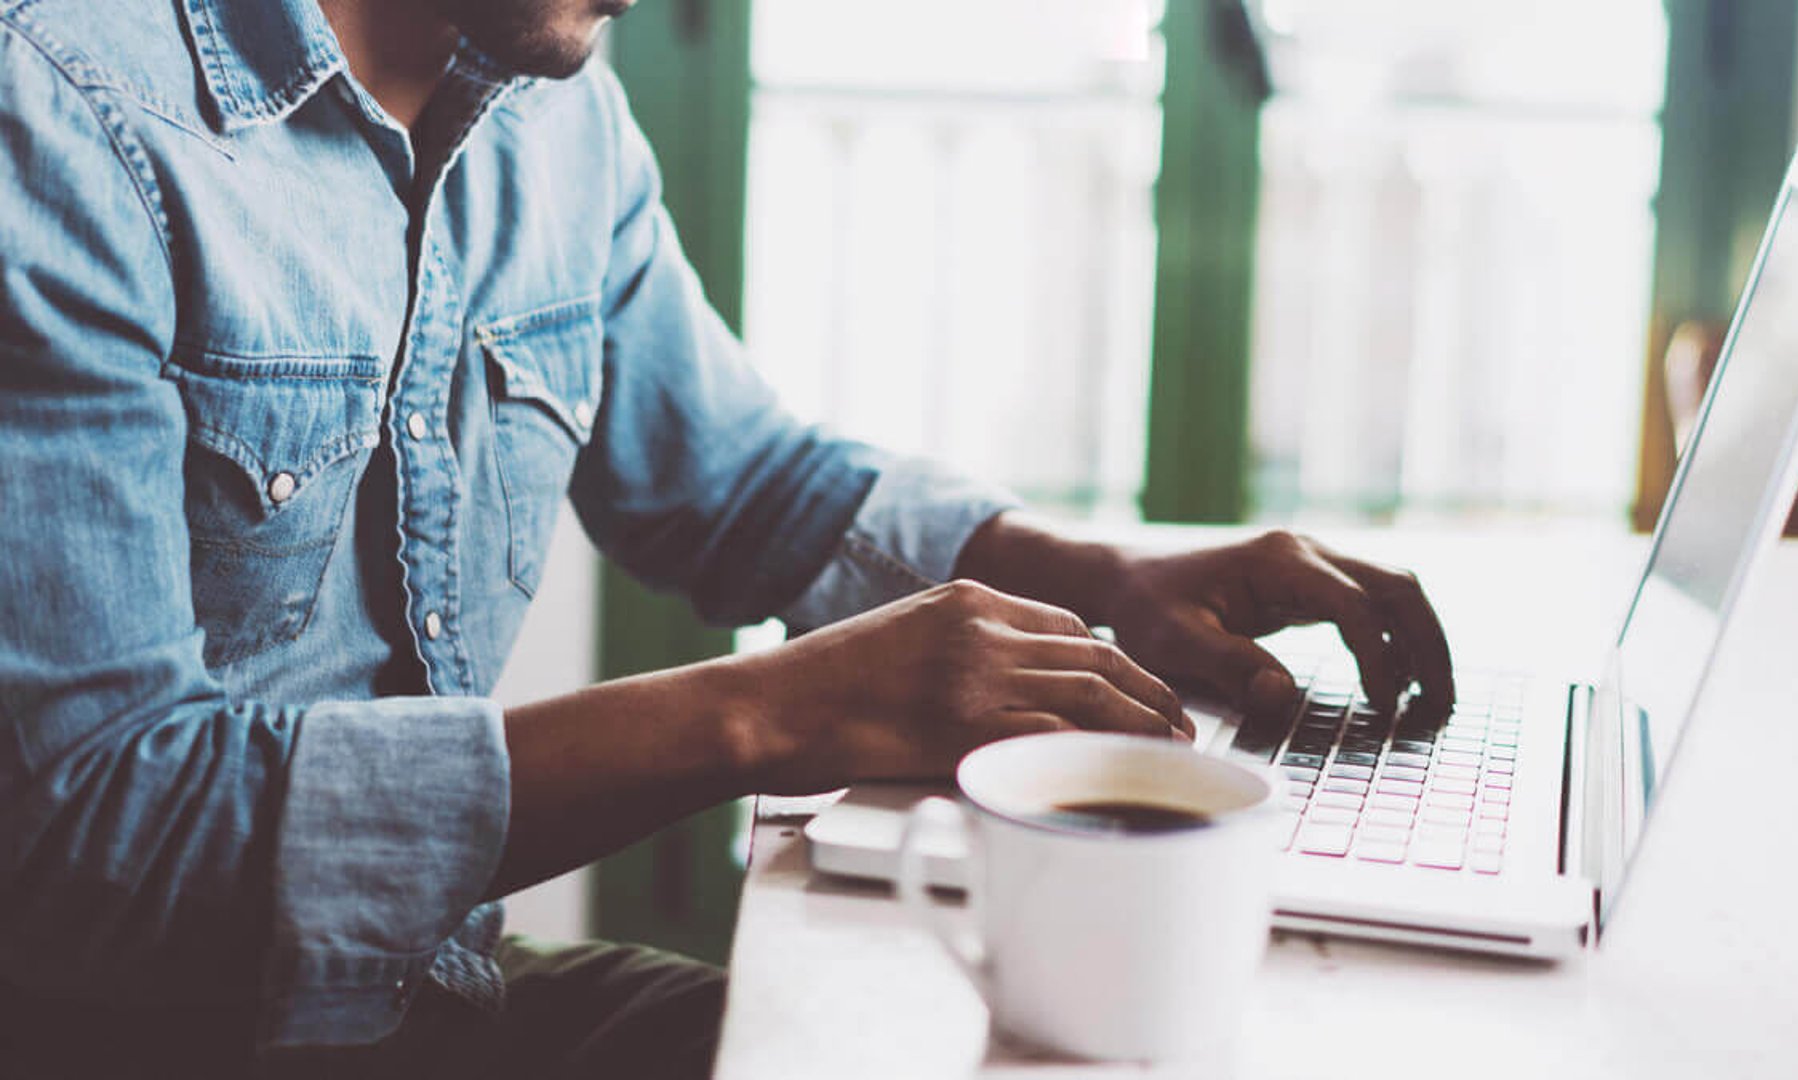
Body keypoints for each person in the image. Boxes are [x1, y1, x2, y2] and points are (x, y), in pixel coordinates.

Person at [0, 0, 1454, 1075]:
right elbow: (94, 835)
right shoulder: (58, 116)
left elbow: (739, 483)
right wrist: (776, 715)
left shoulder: (552, 106)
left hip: (432, 994)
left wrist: (1107, 583)